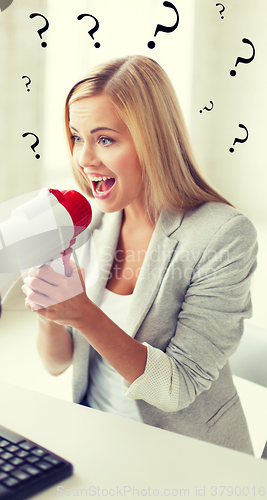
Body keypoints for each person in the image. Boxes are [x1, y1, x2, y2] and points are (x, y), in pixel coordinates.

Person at [22, 55, 258, 454]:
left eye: (105, 139)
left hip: (184, 456)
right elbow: (57, 363)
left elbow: (178, 386)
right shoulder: (90, 223)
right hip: (96, 441)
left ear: (154, 140)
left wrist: (83, 313)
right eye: (77, 137)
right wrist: (49, 310)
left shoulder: (224, 235)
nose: (83, 159)